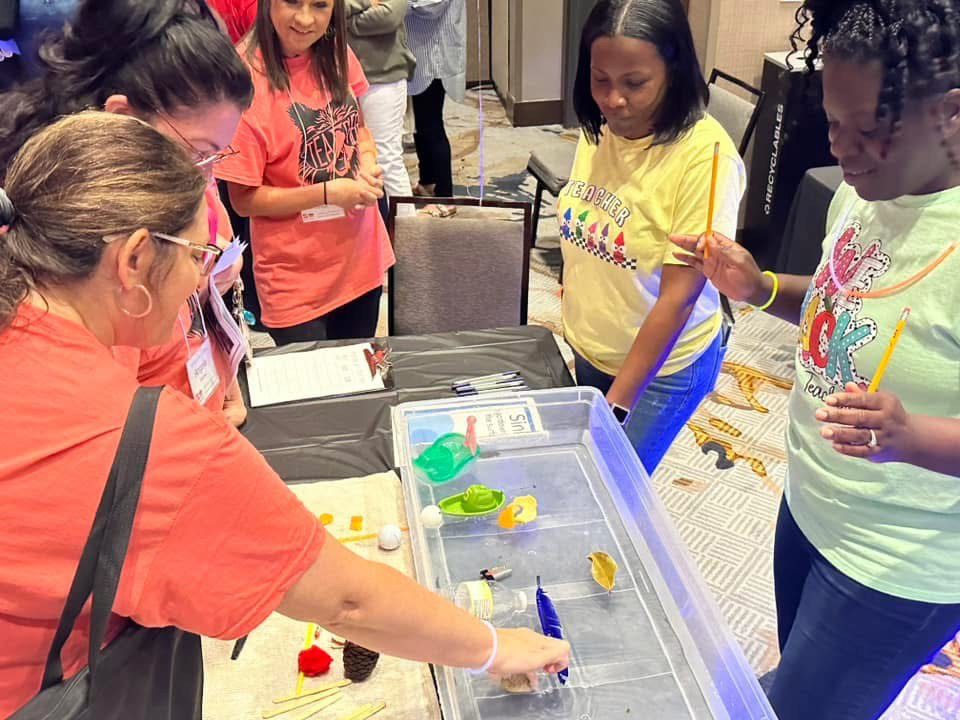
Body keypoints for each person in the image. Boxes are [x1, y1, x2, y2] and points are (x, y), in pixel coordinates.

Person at [0, 111, 569, 718]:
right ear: (135, 260)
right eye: (199, 253)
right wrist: (496, 648)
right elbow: (349, 602)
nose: (206, 274)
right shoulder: (148, 442)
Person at [670, 1, 960, 717]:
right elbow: (843, 301)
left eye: (872, 132)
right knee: (798, 681)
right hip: (812, 498)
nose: (847, 152)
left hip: (902, 560)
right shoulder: (860, 197)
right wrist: (762, 286)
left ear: (951, 113)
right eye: (833, 123)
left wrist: (913, 437)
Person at [0, 0, 255, 426]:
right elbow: (100, 428)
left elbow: (201, 310)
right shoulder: (76, 266)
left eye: (215, 156)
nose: (203, 179)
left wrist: (223, 382)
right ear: (121, 117)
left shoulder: (189, 188)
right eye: (196, 154)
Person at [560, 0, 745, 473]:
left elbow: (678, 299)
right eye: (600, 79)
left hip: (660, 369)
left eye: (634, 83)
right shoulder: (600, 129)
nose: (613, 99)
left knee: (615, 489)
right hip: (594, 345)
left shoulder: (706, 158)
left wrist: (618, 404)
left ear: (673, 71)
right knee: (585, 476)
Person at [217, 0, 393, 346]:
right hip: (296, 279)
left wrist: (368, 162)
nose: (305, 19)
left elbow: (358, 128)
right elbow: (243, 200)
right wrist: (327, 194)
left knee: (358, 380)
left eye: (320, 5)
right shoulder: (242, 81)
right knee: (312, 390)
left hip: (361, 257)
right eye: (293, 2)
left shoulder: (335, 52)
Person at [345, 0, 416, 209]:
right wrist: (367, 2)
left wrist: (346, 23)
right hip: (340, 76)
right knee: (348, 157)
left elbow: (388, 18)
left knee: (386, 159)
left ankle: (405, 233)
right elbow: (330, 9)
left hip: (384, 78)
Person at [405, 0, 465, 216]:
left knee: (431, 125)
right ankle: (427, 182)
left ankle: (445, 197)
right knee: (421, 124)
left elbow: (429, 7)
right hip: (419, 53)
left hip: (433, 55)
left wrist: (387, 5)